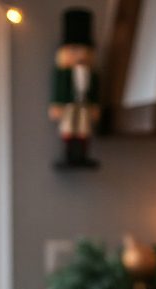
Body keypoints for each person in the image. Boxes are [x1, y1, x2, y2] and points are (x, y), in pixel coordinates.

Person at [49, 7, 100, 168]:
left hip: (84, 105)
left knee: (84, 129)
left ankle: (82, 155)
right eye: (75, 50)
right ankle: (69, 154)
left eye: (83, 50)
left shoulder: (92, 73)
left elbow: (95, 91)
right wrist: (56, 104)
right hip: (69, 106)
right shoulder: (63, 73)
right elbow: (58, 89)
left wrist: (94, 106)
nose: (80, 55)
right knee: (69, 128)